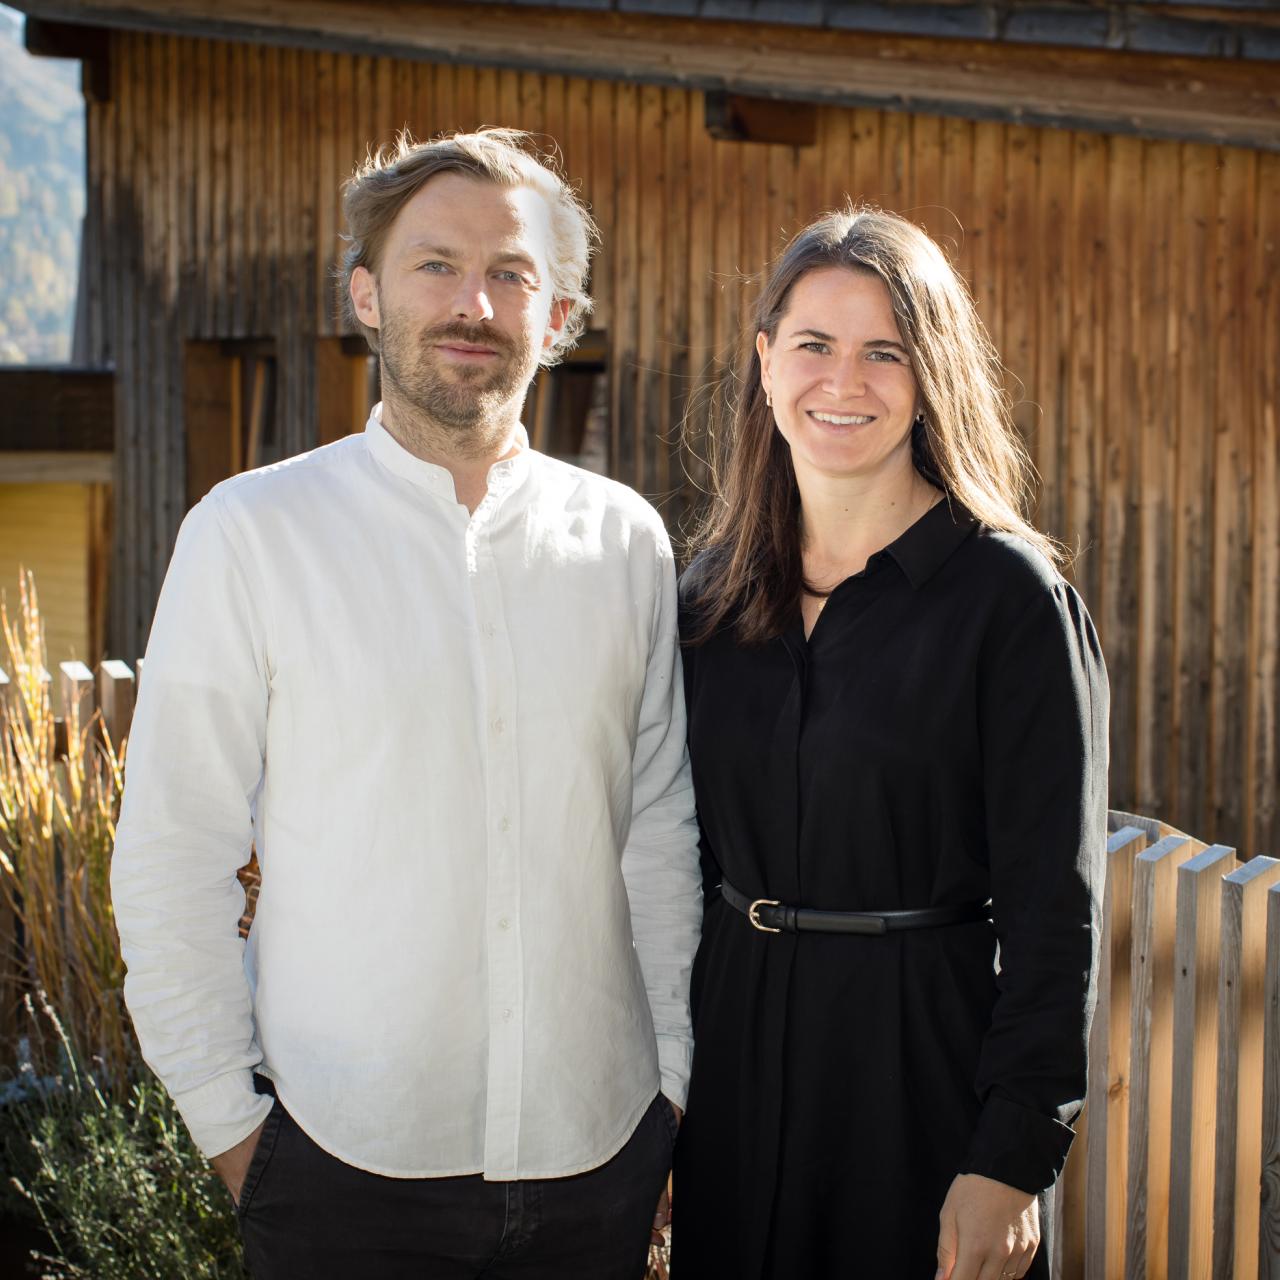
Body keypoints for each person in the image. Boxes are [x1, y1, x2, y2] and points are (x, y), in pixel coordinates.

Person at [111, 129, 701, 1280]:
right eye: (435, 264)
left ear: (561, 313)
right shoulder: (250, 533)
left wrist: (669, 1085)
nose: (472, 302)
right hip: (341, 1170)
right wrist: (235, 1133)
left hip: (598, 1152)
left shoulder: (624, 539)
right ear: (365, 295)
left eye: (511, 272)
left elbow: (658, 836)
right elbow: (174, 851)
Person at [671, 206, 1108, 1280]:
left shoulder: (1008, 599)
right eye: (813, 344)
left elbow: (1057, 912)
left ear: (929, 377)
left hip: (917, 1066)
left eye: (884, 352)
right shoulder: (706, 599)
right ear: (765, 359)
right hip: (731, 1060)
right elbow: (672, 864)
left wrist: (1012, 1155)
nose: (842, 380)